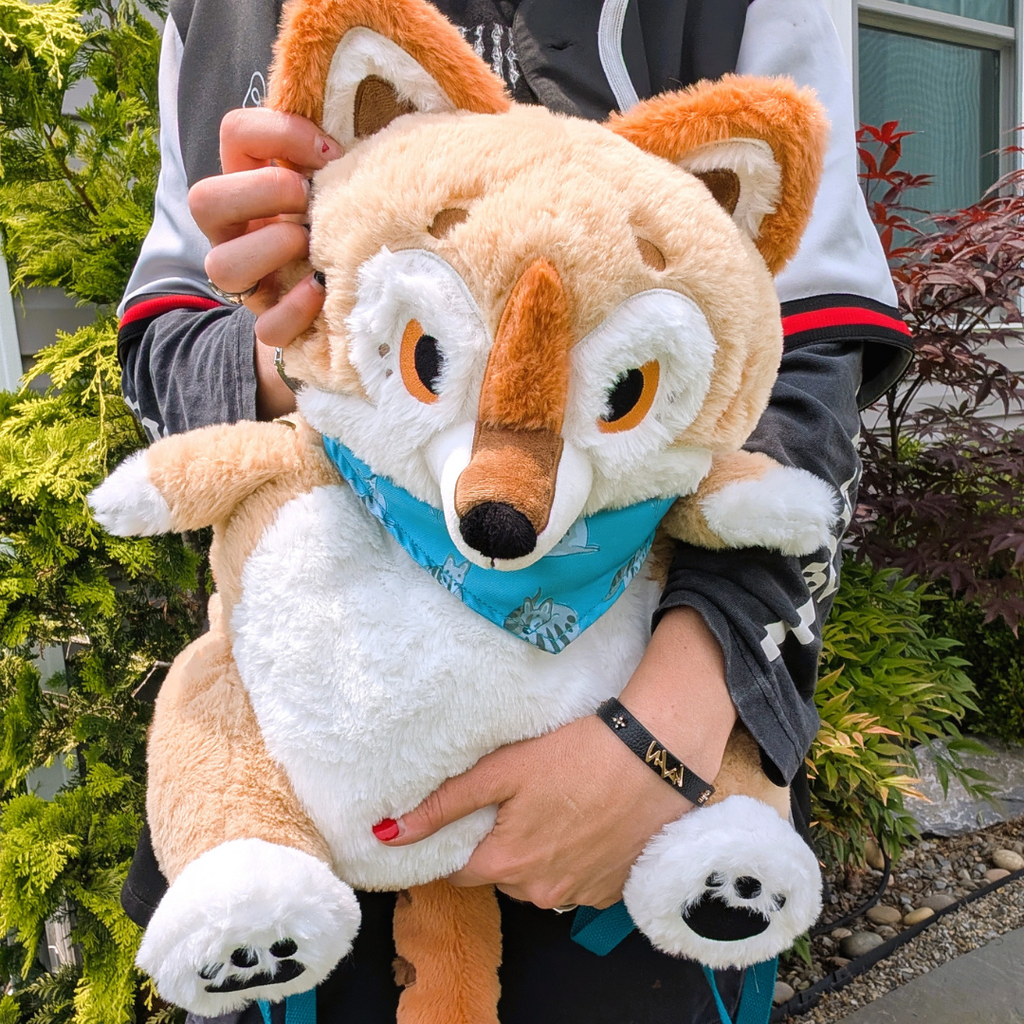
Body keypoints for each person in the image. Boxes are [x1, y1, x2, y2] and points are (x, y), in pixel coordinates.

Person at [116, 1, 913, 1022]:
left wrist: (666, 727)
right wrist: (331, 331)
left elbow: (804, 361)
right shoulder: (213, 16)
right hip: (307, 782)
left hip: (633, 807)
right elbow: (163, 350)